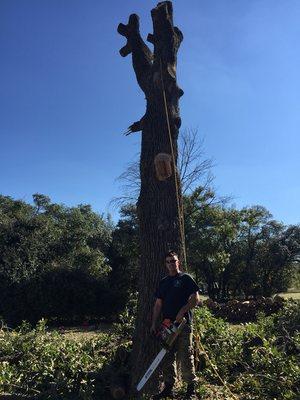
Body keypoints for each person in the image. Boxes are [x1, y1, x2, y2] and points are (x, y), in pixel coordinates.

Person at [151, 250, 200, 400]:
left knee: (186, 356)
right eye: (168, 262)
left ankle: (191, 390)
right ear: (165, 264)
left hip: (183, 325)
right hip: (167, 325)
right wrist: (154, 323)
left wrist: (183, 310)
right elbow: (158, 304)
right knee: (167, 357)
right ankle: (168, 388)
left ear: (178, 262)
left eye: (174, 261)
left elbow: (195, 298)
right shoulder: (164, 282)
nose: (171, 264)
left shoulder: (186, 279)